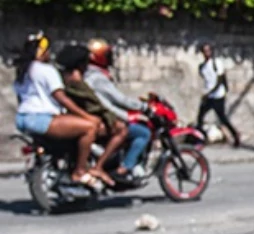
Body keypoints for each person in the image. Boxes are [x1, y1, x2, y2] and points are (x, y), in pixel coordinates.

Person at [11, 32, 104, 188]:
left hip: (23, 118)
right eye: (47, 50)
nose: (49, 54)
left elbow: (21, 98)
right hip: (42, 118)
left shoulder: (23, 71)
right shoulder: (46, 70)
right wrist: (86, 116)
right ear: (41, 53)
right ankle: (80, 171)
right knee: (90, 127)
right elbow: (61, 97)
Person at [84, 38, 153, 180]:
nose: (111, 59)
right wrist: (143, 107)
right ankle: (126, 167)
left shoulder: (86, 74)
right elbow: (119, 100)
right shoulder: (98, 78)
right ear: (100, 57)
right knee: (143, 133)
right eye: (108, 55)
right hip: (106, 118)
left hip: (96, 116)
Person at [56, 44, 125, 186]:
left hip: (70, 116)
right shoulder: (77, 81)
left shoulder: (64, 78)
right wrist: (113, 118)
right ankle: (98, 167)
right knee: (122, 129)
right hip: (83, 118)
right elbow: (95, 104)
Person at [196, 43, 240, 148]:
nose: (207, 53)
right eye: (204, 51)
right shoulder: (202, 66)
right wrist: (206, 93)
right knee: (200, 117)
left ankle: (235, 135)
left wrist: (210, 92)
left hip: (218, 96)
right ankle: (200, 139)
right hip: (209, 96)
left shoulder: (217, 63)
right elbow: (206, 80)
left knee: (222, 118)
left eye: (208, 50)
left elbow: (220, 80)